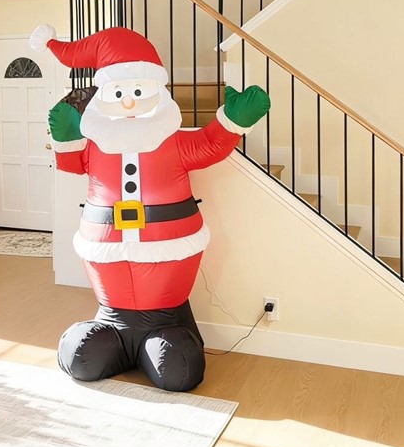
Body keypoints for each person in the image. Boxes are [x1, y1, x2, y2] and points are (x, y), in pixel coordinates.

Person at [29, 25, 270, 391]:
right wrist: (66, 136)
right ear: (102, 97)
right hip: (108, 270)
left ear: (158, 92)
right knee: (82, 359)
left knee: (176, 368)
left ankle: (163, 336)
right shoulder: (96, 145)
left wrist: (234, 121)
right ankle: (112, 334)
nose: (128, 103)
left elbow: (208, 146)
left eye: (139, 92)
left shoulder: (173, 142)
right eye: (118, 94)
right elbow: (73, 163)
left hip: (168, 271)